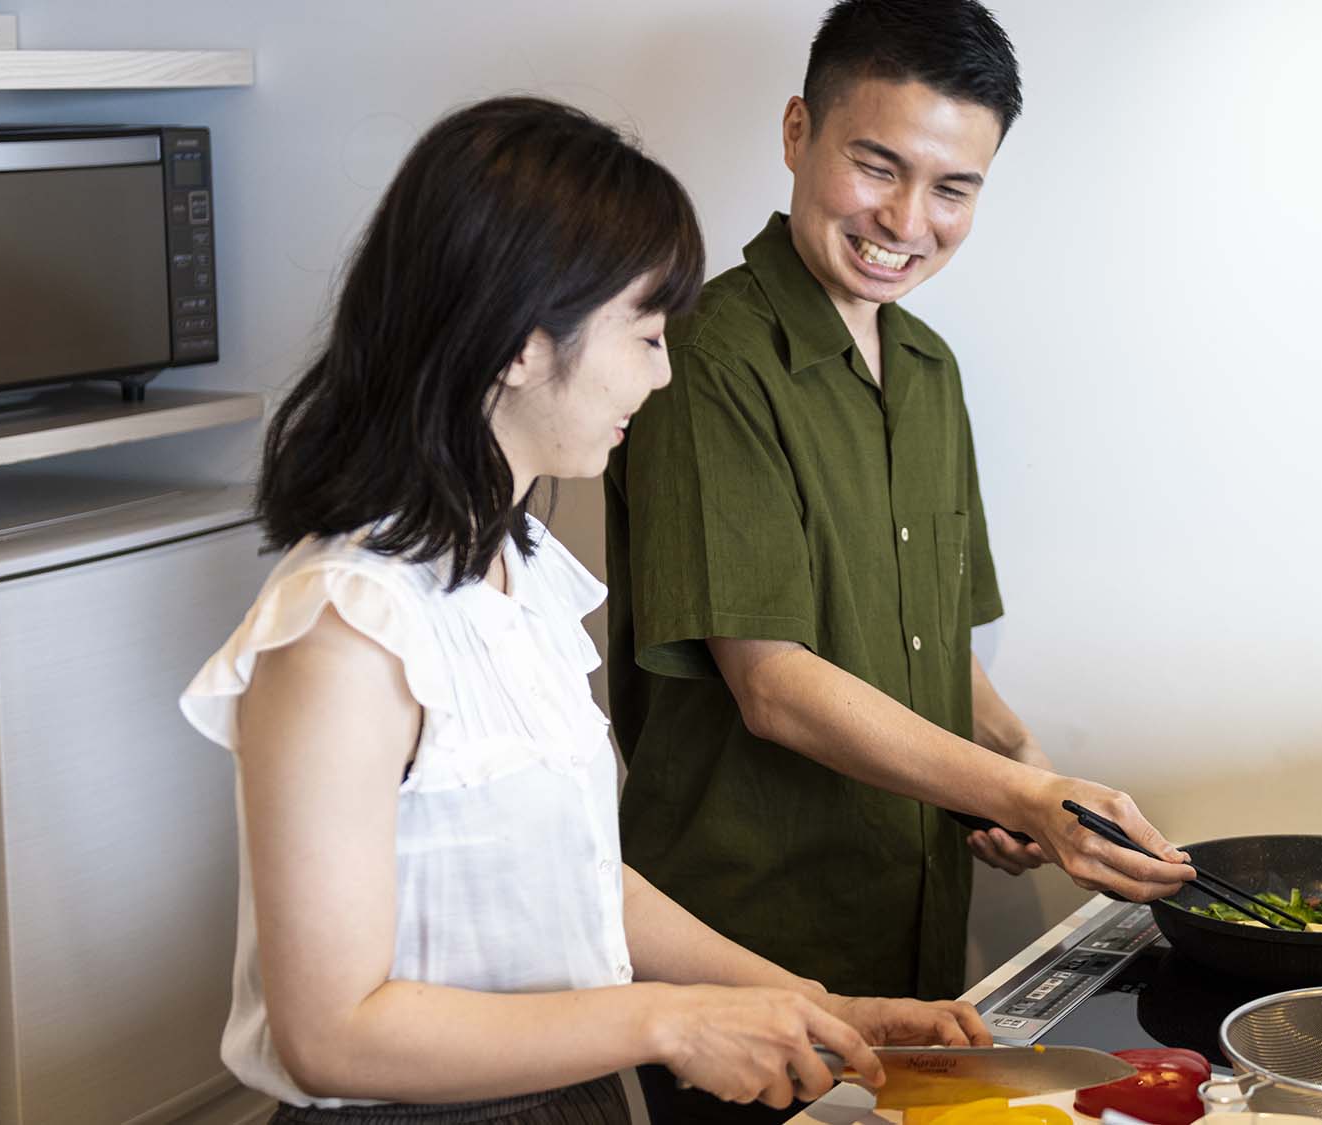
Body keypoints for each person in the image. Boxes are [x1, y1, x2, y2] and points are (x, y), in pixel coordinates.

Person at [180, 96, 986, 1125]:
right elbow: (330, 1031)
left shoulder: (518, 573)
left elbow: (582, 883)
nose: (658, 375)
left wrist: (815, 1008)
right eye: (645, 335)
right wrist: (663, 1023)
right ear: (521, 342)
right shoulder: (345, 628)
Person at [606, 3, 1193, 1119]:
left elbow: (934, 645)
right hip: (746, 961)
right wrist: (1029, 788)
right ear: (796, 134)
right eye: (877, 166)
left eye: (952, 189)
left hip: (918, 950)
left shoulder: (927, 369)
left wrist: (1023, 771)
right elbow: (770, 683)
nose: (906, 220)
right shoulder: (707, 356)